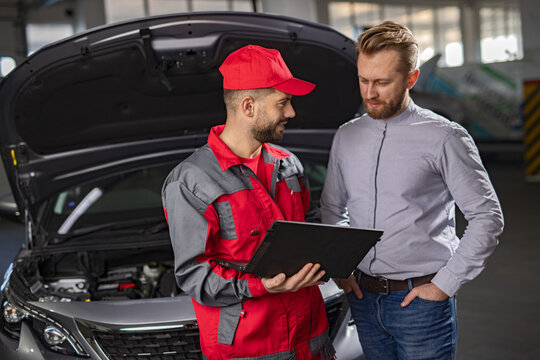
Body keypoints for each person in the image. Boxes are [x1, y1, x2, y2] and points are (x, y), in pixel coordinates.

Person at [320, 21, 504, 359]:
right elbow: (332, 209)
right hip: (362, 298)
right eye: (363, 80)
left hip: (421, 302)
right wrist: (341, 269)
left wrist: (444, 284)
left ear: (411, 79)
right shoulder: (346, 136)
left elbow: (487, 217)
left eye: (382, 82)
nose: (369, 93)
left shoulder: (444, 137)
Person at [162, 45, 334, 360]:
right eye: (283, 102)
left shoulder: (289, 165)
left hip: (311, 344)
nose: (291, 113)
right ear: (248, 106)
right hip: (248, 349)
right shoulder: (192, 182)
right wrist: (262, 286)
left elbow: (313, 231)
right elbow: (195, 276)